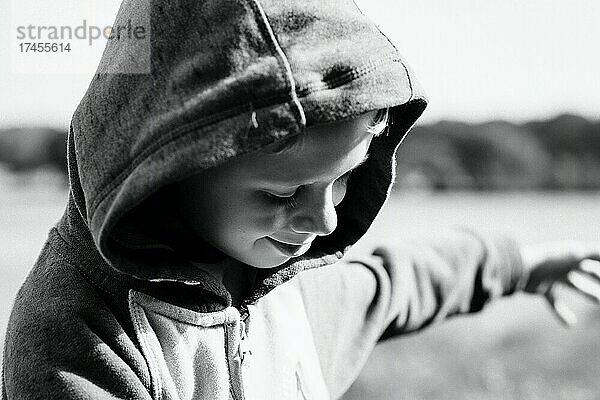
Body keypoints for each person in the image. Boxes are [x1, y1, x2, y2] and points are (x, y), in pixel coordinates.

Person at [3, 0, 599, 398]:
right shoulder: (80, 338)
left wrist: (520, 264)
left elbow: (397, 284)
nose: (325, 217)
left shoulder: (288, 296)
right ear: (169, 172)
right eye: (284, 191)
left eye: (343, 180)